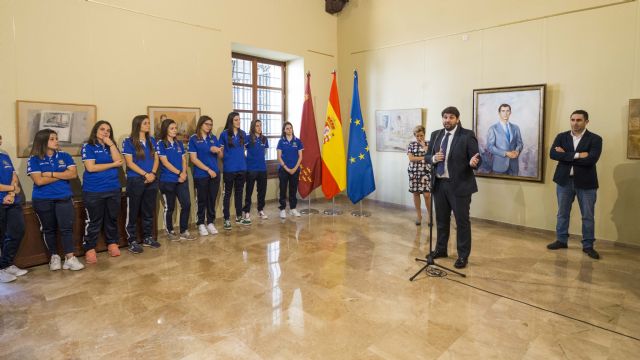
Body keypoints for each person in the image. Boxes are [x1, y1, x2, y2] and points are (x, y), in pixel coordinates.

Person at [425, 106, 481, 269]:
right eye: (445, 117)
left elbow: (476, 157)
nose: (447, 120)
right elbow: (428, 156)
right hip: (439, 184)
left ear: (457, 119)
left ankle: (463, 256)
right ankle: (441, 249)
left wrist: (473, 162)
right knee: (441, 220)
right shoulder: (436, 135)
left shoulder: (467, 135)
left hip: (459, 186)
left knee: (462, 222)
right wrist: (433, 158)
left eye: (450, 117)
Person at [547, 110, 602, 259]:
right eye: (572, 119)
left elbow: (591, 159)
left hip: (587, 183)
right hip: (564, 181)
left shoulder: (595, 139)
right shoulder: (561, 136)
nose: (575, 123)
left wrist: (565, 155)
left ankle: (588, 245)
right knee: (562, 213)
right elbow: (553, 154)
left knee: (588, 216)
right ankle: (561, 240)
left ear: (586, 122)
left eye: (579, 120)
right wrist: (578, 155)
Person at [27, 129, 84, 271]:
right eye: (52, 139)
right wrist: (61, 174)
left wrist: (51, 173)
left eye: (56, 138)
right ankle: (54, 257)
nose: (56, 141)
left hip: (63, 197)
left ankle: (70, 258)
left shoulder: (65, 156)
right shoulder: (34, 158)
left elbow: (73, 174)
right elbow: (39, 181)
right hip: (42, 199)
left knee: (66, 228)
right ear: (43, 141)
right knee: (49, 229)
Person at [81, 121, 123, 262]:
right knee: (93, 221)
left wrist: (111, 144)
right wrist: (112, 164)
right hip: (94, 190)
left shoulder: (111, 146)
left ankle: (112, 243)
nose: (105, 132)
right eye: (102, 129)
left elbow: (119, 161)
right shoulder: (88, 146)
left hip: (113, 188)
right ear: (95, 131)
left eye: (108, 130)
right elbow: (91, 168)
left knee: (111, 218)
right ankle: (90, 248)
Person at [123, 115, 160, 253]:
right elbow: (129, 162)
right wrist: (145, 174)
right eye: (145, 123)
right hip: (136, 180)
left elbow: (156, 159)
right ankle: (131, 240)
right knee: (132, 212)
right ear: (138, 124)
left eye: (149, 123)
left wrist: (153, 174)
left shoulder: (152, 140)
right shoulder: (129, 141)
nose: (148, 125)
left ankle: (147, 237)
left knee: (148, 210)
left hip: (152, 179)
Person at [157, 118, 195, 241]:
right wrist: (179, 173)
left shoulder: (178, 143)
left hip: (182, 179)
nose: (175, 130)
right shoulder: (161, 144)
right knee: (170, 207)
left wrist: (183, 173)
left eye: (175, 128)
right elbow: (165, 162)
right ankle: (170, 231)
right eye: (172, 128)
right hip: (168, 180)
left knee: (187, 204)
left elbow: (184, 160)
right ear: (165, 130)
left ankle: (184, 230)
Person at [188, 115, 222, 236]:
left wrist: (218, 151)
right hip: (201, 174)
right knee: (201, 200)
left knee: (212, 199)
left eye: (211, 124)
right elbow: (193, 159)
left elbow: (221, 156)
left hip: (215, 174)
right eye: (207, 124)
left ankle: (210, 222)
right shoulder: (193, 138)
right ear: (201, 124)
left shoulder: (213, 137)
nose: (209, 126)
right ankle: (201, 223)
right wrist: (208, 170)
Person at [0, 134, 27, 282]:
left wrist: (11, 193)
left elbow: (13, 175)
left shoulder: (4, 155)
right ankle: (1, 268)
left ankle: (6, 264)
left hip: (11, 200)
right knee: (1, 235)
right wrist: (12, 188)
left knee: (17, 230)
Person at [219, 112, 250, 230]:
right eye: (236, 120)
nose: (238, 121)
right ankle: (226, 219)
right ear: (231, 120)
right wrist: (227, 159)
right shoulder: (224, 134)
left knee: (239, 193)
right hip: (229, 169)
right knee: (227, 194)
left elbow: (245, 150)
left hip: (242, 168)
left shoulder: (243, 133)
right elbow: (220, 152)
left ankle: (239, 216)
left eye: (239, 120)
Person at [486, 104, 523, 175]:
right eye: (503, 111)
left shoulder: (516, 128)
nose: (505, 113)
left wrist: (517, 151)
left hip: (514, 166)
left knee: (514, 186)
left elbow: (520, 143)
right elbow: (490, 147)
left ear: (510, 112)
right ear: (499, 113)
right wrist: (506, 153)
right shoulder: (493, 129)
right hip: (499, 166)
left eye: (507, 111)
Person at [243, 119, 269, 220]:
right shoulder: (248, 138)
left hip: (262, 168)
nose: (259, 128)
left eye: (260, 125)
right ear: (253, 127)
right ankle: (247, 211)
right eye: (257, 126)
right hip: (251, 168)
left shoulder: (264, 139)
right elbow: (243, 150)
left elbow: (265, 152)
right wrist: (247, 160)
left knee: (262, 191)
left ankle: (260, 210)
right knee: (249, 191)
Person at [277, 121, 303, 219]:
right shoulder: (281, 141)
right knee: (283, 189)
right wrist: (287, 169)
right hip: (284, 170)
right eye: (287, 128)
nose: (289, 130)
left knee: (293, 189)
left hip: (295, 169)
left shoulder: (298, 141)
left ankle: (293, 209)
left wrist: (294, 169)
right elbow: (279, 157)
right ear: (284, 130)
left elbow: (300, 157)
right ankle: (282, 209)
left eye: (290, 128)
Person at [407, 125, 432, 226]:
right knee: (416, 193)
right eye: (417, 136)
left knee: (427, 195)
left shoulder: (429, 143)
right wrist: (424, 157)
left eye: (421, 135)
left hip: (426, 172)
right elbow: (411, 158)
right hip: (414, 172)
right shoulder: (411, 144)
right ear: (414, 135)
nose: (419, 138)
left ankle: (430, 216)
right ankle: (419, 216)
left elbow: (431, 156)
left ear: (424, 134)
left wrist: (425, 148)